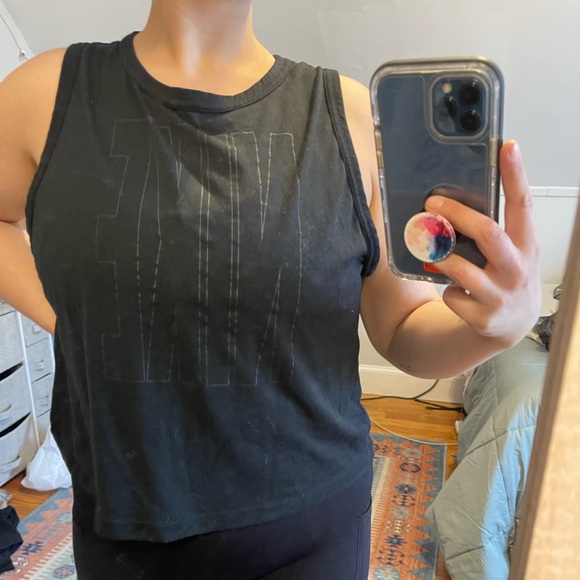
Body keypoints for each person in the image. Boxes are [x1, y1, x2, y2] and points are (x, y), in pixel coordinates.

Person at [0, 0, 541, 578]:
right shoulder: (40, 96)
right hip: (124, 522)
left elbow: (403, 328)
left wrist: (498, 328)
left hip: (311, 527)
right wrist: (67, 319)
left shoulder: (352, 118)